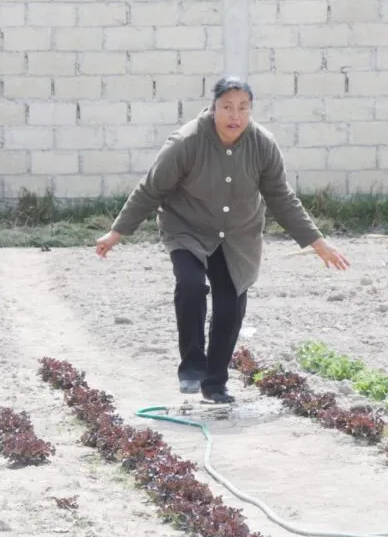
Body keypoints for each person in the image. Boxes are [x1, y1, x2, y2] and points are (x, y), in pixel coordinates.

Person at [96, 77, 350, 403]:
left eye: (243, 107)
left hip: (237, 236)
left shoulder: (262, 144)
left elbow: (281, 198)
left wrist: (318, 242)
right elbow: (151, 189)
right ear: (213, 106)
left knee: (230, 307)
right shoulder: (186, 142)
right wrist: (117, 232)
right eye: (227, 107)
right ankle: (191, 366)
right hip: (187, 227)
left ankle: (215, 384)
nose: (235, 116)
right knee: (190, 284)